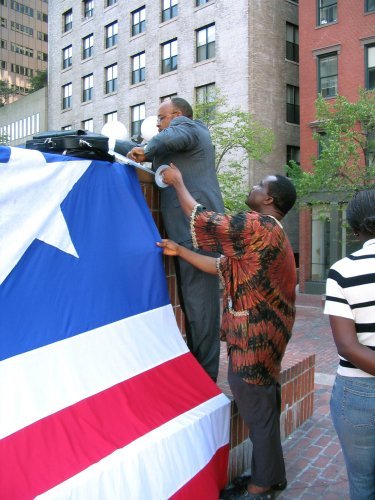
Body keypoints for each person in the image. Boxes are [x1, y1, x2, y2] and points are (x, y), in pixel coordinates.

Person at [157, 164, 297, 500]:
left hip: (253, 341)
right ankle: (273, 476)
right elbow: (223, 266)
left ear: (270, 199)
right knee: (264, 409)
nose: (254, 186)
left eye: (261, 184)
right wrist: (181, 252)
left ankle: (260, 487)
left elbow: (204, 219)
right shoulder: (268, 235)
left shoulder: (258, 225)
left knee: (258, 415)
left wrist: (178, 182)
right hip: (266, 341)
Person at [128, 98, 224, 382]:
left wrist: (146, 149)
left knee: (201, 306)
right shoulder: (173, 142)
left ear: (178, 116)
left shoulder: (190, 127)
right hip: (186, 232)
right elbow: (142, 151)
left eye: (161, 118)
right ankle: (200, 372)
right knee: (194, 304)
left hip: (198, 229)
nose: (157, 125)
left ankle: (206, 379)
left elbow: (171, 136)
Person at [324, 189, 375, 500]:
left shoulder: (342, 270)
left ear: (355, 230)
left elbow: (348, 347)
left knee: (362, 485)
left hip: (357, 393)